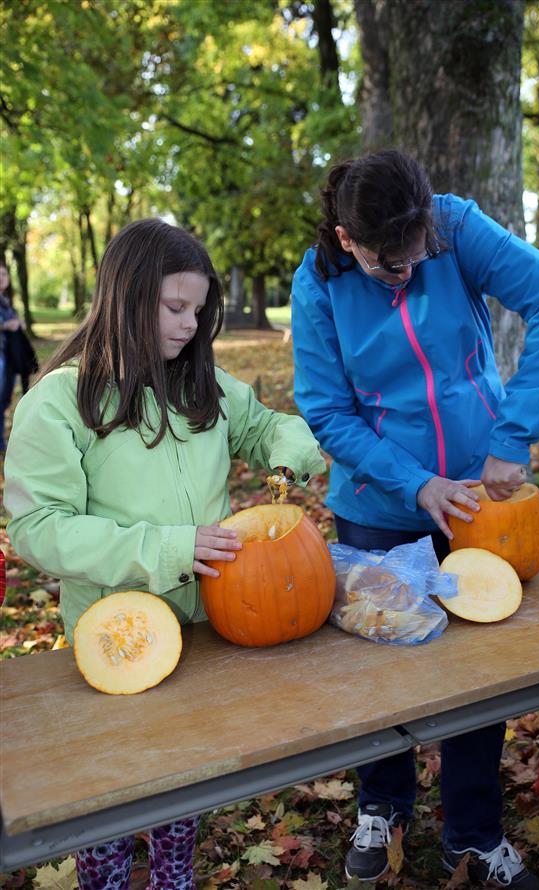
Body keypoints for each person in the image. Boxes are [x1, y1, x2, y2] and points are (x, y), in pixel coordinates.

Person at [291, 149, 539, 888]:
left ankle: (471, 833)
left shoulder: (453, 228)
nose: (409, 271)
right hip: (374, 504)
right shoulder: (316, 283)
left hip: (475, 502)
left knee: (475, 675)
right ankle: (382, 806)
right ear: (345, 239)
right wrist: (414, 483)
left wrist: (511, 435)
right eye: (388, 265)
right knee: (380, 669)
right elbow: (326, 409)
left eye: (417, 254)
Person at [4, 218, 326, 890]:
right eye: (175, 308)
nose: (190, 325)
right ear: (126, 297)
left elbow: (266, 425)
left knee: (184, 775)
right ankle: (106, 878)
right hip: (116, 634)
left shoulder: (196, 383)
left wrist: (288, 458)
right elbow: (39, 527)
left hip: (204, 626)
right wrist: (167, 548)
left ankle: (174, 877)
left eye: (199, 310)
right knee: (117, 787)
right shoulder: (59, 402)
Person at [0, 261, 29, 452]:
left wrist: (18, 324)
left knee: (4, 400)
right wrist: (4, 326)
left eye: (3, 274)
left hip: (9, 358)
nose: (1, 278)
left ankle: (1, 440)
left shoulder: (7, 302)